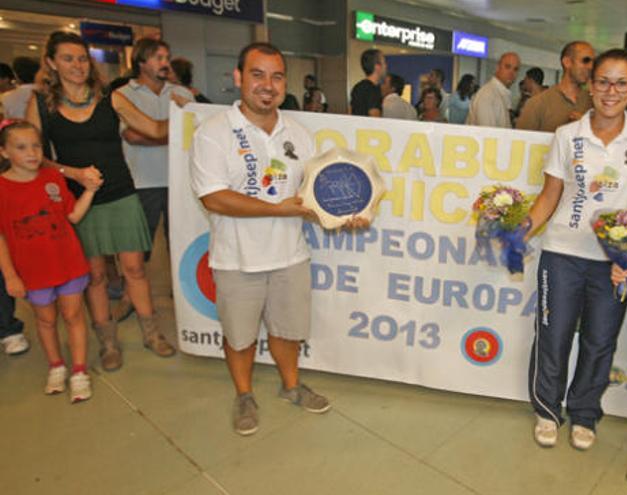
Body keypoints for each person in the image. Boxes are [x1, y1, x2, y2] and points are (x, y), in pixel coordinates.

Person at [191, 42, 370, 436]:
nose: (267, 86)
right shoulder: (214, 133)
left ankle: (291, 386)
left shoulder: (300, 135)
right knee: (239, 337)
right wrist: (276, 210)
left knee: (287, 330)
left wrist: (345, 213)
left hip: (290, 255)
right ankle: (244, 395)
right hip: (236, 259)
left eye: (275, 76)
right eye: (257, 75)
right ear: (239, 78)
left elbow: (314, 197)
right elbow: (213, 197)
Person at [26, 31, 184, 371]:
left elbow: (155, 129)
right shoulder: (41, 103)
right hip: (79, 200)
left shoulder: (108, 97)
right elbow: (33, 156)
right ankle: (108, 342)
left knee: (135, 269)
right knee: (94, 276)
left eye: (82, 58)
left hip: (121, 192)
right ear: (52, 63)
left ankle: (152, 333)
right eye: (68, 59)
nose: (77, 65)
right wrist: (75, 173)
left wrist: (192, 118)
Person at [525, 49, 627, 451]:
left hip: (612, 262)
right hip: (562, 252)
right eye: (602, 81)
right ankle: (547, 409)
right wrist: (519, 228)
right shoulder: (568, 136)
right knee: (554, 334)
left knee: (601, 340)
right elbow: (550, 196)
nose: (610, 91)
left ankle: (584, 413)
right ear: (591, 85)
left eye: (620, 83)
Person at [0, 120, 97, 402]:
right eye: (21, 147)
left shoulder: (53, 179)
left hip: (68, 264)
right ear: (4, 152)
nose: (31, 153)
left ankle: (79, 371)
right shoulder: (3, 189)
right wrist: (10, 276)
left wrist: (89, 190)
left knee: (74, 316)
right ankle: (56, 366)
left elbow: (72, 216)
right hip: (32, 272)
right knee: (45, 320)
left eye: (36, 146)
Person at [118, 38, 193, 267]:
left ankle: (182, 295)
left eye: (167, 58)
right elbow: (131, 137)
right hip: (142, 182)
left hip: (180, 182)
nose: (165, 63)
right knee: (140, 246)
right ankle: (131, 295)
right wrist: (172, 135)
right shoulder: (124, 95)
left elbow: (191, 136)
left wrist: (153, 135)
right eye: (158, 58)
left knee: (182, 243)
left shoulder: (182, 94)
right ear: (141, 62)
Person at [517, 41, 595, 132]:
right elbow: (522, 142)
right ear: (567, 62)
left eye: (593, 62)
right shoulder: (538, 104)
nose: (591, 67)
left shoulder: (595, 103)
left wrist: (586, 127)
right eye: (585, 61)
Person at [466, 52, 520, 128]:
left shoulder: (501, 94)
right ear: (498, 67)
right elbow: (488, 136)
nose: (511, 73)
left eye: (515, 69)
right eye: (507, 67)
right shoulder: (488, 95)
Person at [350, 49, 386, 117]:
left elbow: (350, 112)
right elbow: (375, 118)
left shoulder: (358, 87)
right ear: (377, 66)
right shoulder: (373, 90)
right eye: (384, 63)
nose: (386, 66)